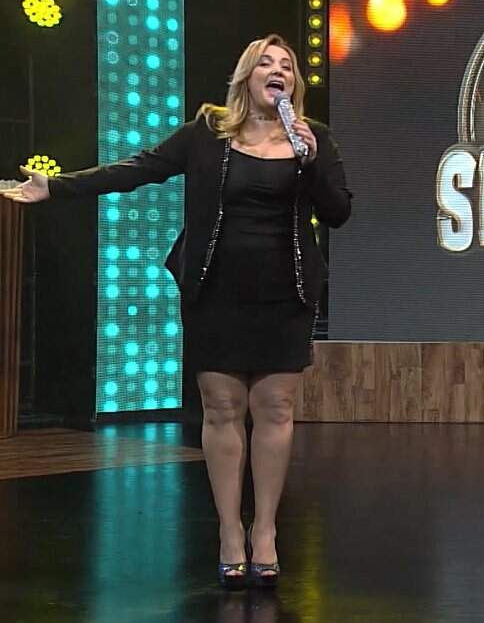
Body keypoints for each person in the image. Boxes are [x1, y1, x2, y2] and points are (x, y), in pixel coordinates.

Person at [2, 34, 351, 589]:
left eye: (286, 65)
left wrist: (309, 163)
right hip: (217, 289)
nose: (277, 70)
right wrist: (58, 187)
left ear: (294, 84)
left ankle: (264, 530)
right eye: (265, 62)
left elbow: (338, 212)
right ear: (246, 77)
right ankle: (229, 532)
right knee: (222, 407)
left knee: (276, 407)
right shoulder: (208, 132)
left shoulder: (315, 138)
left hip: (285, 292)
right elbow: (138, 169)